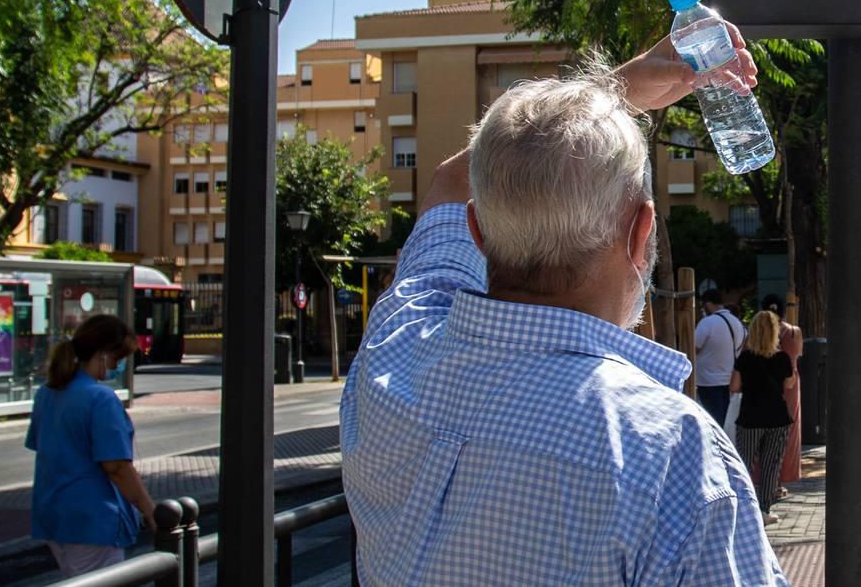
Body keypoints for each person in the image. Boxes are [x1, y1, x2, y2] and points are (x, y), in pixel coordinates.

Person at [340, 33, 787, 584]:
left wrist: (615, 87)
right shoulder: (673, 455)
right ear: (641, 233)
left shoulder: (395, 351)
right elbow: (457, 184)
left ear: (477, 231)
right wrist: (617, 93)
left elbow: (449, 181)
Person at [25, 314, 155, 576]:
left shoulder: (47, 393)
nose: (118, 366)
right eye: (118, 359)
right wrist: (151, 512)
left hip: (54, 515)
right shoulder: (101, 399)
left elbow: (43, 446)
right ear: (103, 354)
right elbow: (117, 466)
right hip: (93, 518)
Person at [730, 310, 795, 526]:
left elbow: (734, 386)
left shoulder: (746, 357)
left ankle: (741, 508)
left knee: (744, 464)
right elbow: (789, 384)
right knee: (770, 466)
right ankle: (764, 510)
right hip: (777, 417)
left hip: (750, 418)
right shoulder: (782, 358)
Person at [761, 294, 802, 488]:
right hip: (791, 386)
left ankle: (768, 480)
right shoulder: (794, 332)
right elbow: (798, 354)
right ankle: (782, 478)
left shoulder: (759, 334)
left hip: (767, 384)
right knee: (789, 431)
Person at [696, 288, 746, 427]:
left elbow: (693, 348)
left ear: (708, 303)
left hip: (708, 382)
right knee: (725, 423)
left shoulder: (707, 323)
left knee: (713, 424)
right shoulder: (737, 323)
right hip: (730, 381)